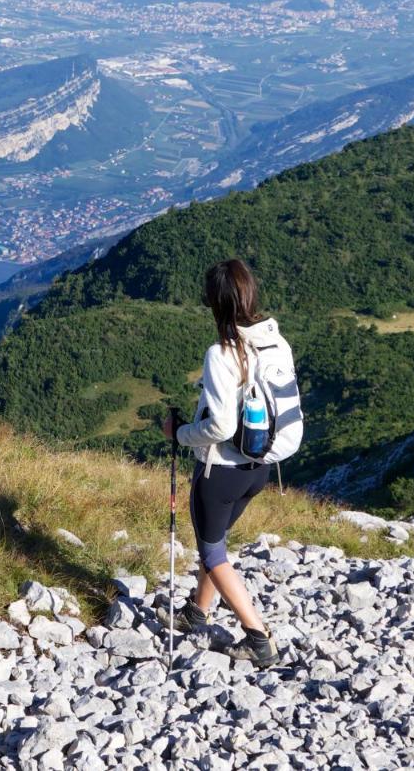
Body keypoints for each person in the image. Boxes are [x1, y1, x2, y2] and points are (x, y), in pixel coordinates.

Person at [156, 258, 285, 669]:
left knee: (213, 553)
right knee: (216, 542)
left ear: (215, 303)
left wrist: (178, 434)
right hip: (259, 467)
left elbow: (222, 425)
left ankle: (258, 638)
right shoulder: (275, 342)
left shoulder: (221, 353)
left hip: (220, 473)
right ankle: (197, 613)